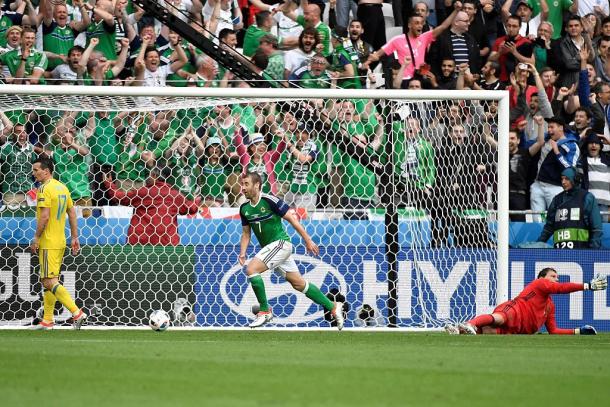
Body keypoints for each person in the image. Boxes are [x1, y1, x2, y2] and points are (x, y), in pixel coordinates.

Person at [238, 171, 345, 329]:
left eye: (246, 184)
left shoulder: (270, 200)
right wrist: (242, 253)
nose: (243, 188)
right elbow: (246, 233)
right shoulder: (244, 208)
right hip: (271, 250)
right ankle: (333, 307)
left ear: (257, 185)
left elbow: (292, 219)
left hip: (281, 244)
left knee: (252, 269)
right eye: (242, 184)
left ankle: (265, 311)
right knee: (298, 284)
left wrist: (308, 240)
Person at [447, 267, 607, 335]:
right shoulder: (539, 284)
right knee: (498, 319)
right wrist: (587, 286)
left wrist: (578, 331)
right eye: (553, 276)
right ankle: (470, 323)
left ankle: (457, 330)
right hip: (514, 310)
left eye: (557, 278)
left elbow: (553, 331)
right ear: (541, 278)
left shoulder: (550, 306)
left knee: (488, 332)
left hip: (518, 329)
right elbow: (561, 288)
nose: (556, 280)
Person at [30, 157, 87, 330]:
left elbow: (45, 217)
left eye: (35, 170)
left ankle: (77, 313)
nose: (33, 173)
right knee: (48, 280)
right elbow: (71, 212)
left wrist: (37, 238)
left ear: (45, 171)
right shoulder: (62, 187)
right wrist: (75, 236)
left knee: (49, 281)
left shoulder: (45, 189)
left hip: (48, 241)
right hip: (60, 240)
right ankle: (48, 320)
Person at [104, 163, 200, 245]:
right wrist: (196, 200)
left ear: (154, 175)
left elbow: (119, 197)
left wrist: (109, 184)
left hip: (139, 241)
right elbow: (192, 209)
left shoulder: (142, 192)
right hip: (166, 242)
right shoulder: (175, 195)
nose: (147, 177)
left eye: (148, 174)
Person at [537, 167, 603, 249]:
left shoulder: (587, 198)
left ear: (575, 180)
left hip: (582, 253)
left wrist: (593, 252)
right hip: (558, 254)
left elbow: (596, 229)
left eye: (567, 179)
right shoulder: (557, 200)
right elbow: (548, 228)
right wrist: (538, 245)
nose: (563, 182)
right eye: (562, 179)